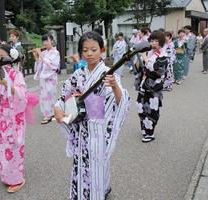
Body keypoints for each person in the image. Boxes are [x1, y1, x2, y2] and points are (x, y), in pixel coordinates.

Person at [54, 31, 130, 200]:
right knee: (80, 163)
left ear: (102, 50)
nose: (89, 53)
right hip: (81, 128)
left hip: (98, 129)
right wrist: (58, 108)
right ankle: (81, 194)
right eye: (85, 50)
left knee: (97, 165)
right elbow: (64, 96)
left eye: (93, 49)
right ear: (81, 52)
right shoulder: (78, 74)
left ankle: (98, 192)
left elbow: (121, 102)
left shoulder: (109, 73)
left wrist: (115, 86)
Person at [0, 44, 38, 193]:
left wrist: (7, 85)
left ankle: (17, 177)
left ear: (10, 58)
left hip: (15, 116)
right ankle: (7, 175)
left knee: (15, 146)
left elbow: (22, 94)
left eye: (2, 56)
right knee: (4, 146)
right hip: (2, 117)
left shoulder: (16, 74)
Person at [135, 30, 168, 143]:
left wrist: (144, 58)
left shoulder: (163, 56)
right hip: (144, 85)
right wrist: (140, 61)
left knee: (152, 110)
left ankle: (150, 133)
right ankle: (144, 128)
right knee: (140, 107)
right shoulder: (150, 52)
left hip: (154, 87)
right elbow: (143, 67)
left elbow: (158, 71)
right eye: (152, 40)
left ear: (161, 42)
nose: (153, 43)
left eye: (156, 41)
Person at [33, 34, 60, 124]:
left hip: (50, 78)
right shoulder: (44, 53)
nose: (45, 43)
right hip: (43, 78)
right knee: (44, 96)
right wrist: (36, 56)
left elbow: (52, 65)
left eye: (47, 40)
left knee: (50, 95)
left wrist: (40, 54)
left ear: (51, 41)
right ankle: (48, 113)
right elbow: (39, 66)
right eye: (43, 41)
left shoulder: (55, 53)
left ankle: (50, 114)